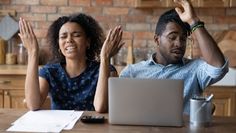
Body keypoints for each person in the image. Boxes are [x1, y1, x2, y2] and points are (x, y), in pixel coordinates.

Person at [120, 0, 228, 114]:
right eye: (172, 37)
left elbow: (218, 66)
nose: (179, 44)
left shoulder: (195, 69)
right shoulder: (132, 72)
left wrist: (194, 21)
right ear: (157, 40)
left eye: (183, 38)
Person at [18, 13, 123, 113]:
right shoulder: (49, 72)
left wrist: (104, 57)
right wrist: (32, 52)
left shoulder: (107, 70)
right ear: (58, 45)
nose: (69, 40)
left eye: (76, 35)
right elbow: (33, 105)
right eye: (63, 37)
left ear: (88, 42)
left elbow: (101, 107)